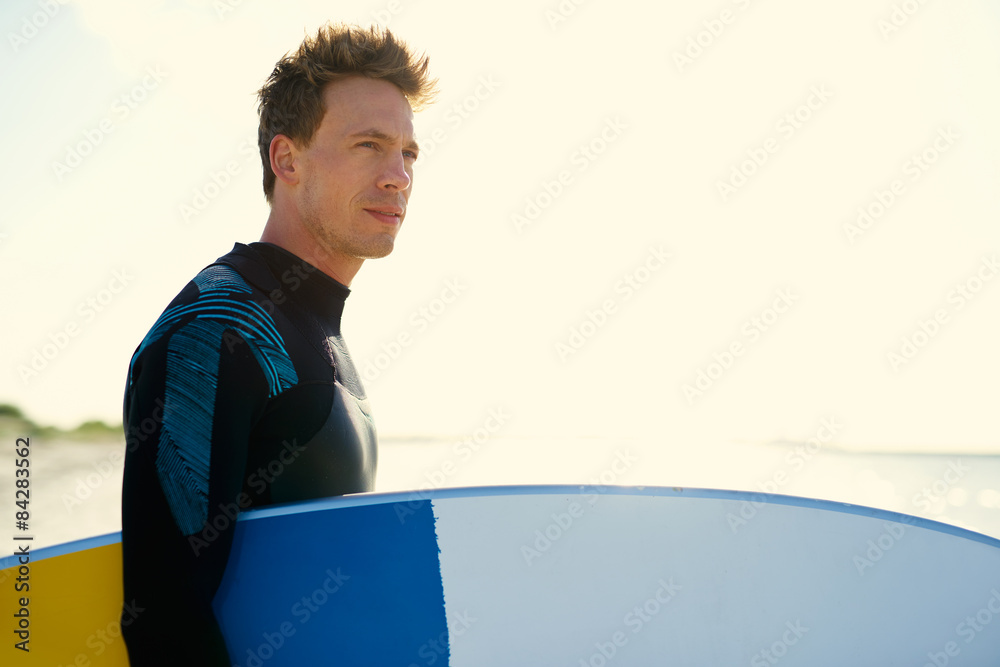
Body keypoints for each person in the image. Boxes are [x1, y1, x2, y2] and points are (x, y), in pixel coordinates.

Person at [119, 23, 437, 663]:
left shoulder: (314, 326)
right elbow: (163, 619)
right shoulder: (220, 331)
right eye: (369, 145)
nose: (398, 175)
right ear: (287, 160)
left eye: (408, 152)